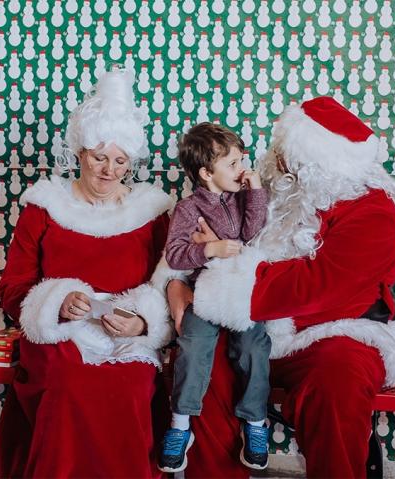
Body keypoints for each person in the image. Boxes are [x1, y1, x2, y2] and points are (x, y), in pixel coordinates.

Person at [166, 96, 395, 477]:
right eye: (279, 150)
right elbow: (196, 240)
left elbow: (321, 284)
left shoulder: (372, 209)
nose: (277, 160)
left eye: (289, 155)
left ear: (322, 164)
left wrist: (218, 282)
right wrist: (176, 285)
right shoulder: (266, 192)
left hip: (331, 332)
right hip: (252, 329)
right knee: (204, 366)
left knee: (338, 383)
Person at [0, 68, 186, 478]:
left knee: (129, 386)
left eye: (119, 161)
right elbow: (13, 287)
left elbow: (171, 284)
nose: (108, 170)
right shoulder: (44, 206)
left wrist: (143, 322)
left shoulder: (153, 211)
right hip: (59, 335)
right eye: (99, 157)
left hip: (125, 337)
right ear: (80, 153)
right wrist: (58, 302)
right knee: (67, 384)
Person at [157, 123, 272, 473]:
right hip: (205, 294)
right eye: (234, 164)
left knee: (254, 346)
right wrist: (210, 249)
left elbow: (254, 233)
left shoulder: (241, 199)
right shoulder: (188, 209)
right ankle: (180, 425)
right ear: (207, 173)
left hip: (241, 294)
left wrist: (254, 192)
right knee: (192, 345)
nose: (242, 169)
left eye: (241, 161)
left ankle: (255, 422)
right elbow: (176, 255)